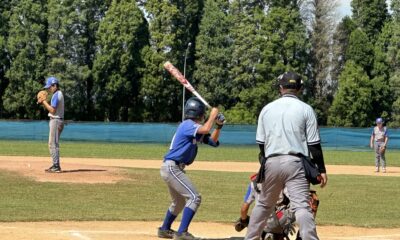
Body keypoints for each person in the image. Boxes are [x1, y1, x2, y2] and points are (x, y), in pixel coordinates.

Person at [245, 71, 328, 240]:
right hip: (296, 162)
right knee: (302, 207)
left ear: (280, 87)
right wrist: (321, 169)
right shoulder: (306, 109)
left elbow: (261, 144)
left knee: (263, 204)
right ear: (300, 88)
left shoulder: (267, 109)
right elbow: (314, 144)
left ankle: (251, 238)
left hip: (271, 161)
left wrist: (266, 162)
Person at [158, 97, 225, 240]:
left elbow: (212, 141)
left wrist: (218, 126)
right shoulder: (187, 125)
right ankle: (182, 232)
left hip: (173, 168)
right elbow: (206, 128)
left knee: (180, 201)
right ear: (199, 113)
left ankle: (164, 229)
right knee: (194, 197)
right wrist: (213, 114)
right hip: (172, 167)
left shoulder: (194, 129)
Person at [235, 173, 319, 240]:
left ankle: (266, 233)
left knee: (258, 212)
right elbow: (295, 199)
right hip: (280, 219)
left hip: (260, 220)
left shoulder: (254, 182)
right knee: (312, 201)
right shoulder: (283, 179)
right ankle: (301, 236)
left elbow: (244, 208)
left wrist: (244, 221)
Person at [39, 76, 65, 173]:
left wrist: (44, 102)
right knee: (53, 143)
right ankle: (55, 164)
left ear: (54, 85)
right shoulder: (58, 94)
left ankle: (56, 166)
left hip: (56, 120)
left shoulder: (56, 94)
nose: (49, 89)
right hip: (58, 120)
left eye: (50, 87)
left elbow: (53, 111)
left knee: (53, 144)